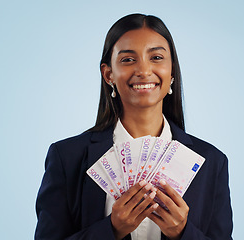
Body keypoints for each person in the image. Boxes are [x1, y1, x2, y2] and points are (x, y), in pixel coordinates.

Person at [35, 13, 233, 240]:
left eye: (156, 57)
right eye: (128, 60)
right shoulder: (67, 157)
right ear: (108, 74)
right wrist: (112, 229)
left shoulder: (212, 162)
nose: (143, 70)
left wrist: (182, 233)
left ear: (172, 73)